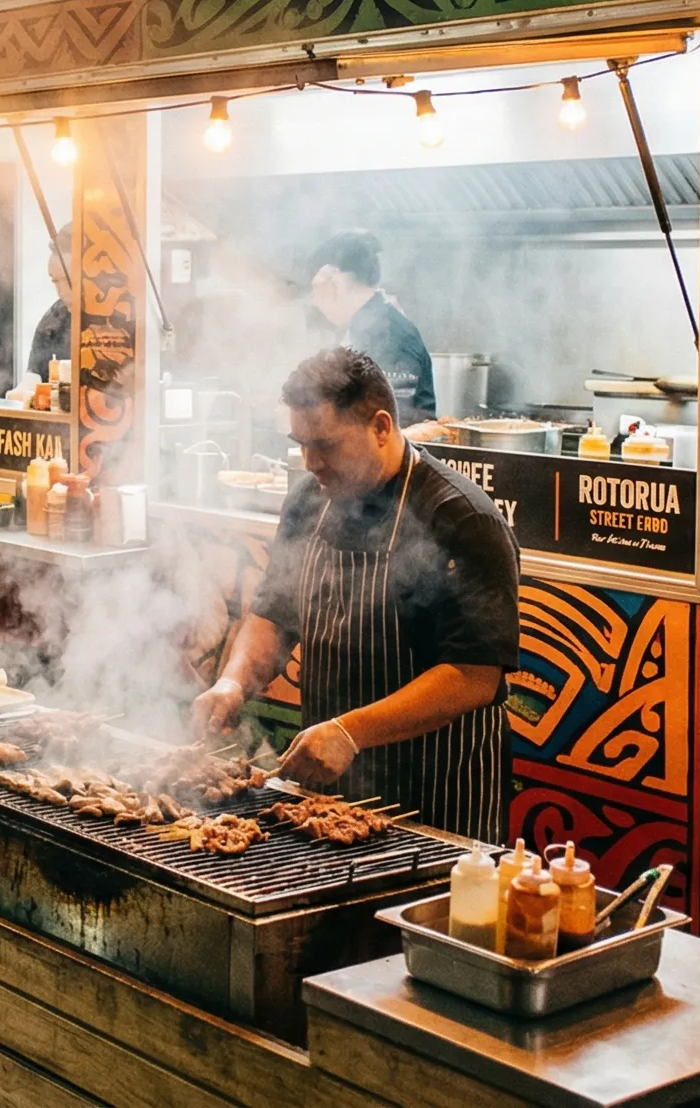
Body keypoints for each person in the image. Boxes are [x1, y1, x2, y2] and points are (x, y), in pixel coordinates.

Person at [191, 348, 518, 841]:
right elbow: (274, 615)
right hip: (331, 793)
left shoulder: (462, 518)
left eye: (325, 445)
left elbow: (473, 677)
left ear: (381, 427)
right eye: (301, 444)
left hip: (438, 799)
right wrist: (233, 683)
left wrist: (351, 732)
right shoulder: (308, 500)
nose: (311, 463)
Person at [306, 230, 436, 423]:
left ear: (335, 282)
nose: (315, 302)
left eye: (315, 289)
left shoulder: (387, 334)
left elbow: (390, 420)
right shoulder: (363, 327)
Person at [25, 221, 74, 382]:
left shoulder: (123, 319)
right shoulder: (54, 320)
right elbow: (34, 376)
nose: (62, 292)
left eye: (69, 280)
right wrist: (26, 387)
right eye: (55, 281)